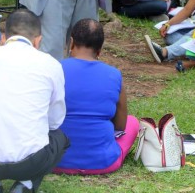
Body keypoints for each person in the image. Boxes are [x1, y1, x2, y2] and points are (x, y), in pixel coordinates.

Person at [0, 9, 69, 193]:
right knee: (60, 137)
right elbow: (55, 121)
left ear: (4, 38)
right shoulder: (51, 64)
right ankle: (25, 185)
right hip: (31, 162)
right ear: (38, 40)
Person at [54, 19, 139, 175]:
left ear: (71, 42)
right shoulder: (114, 74)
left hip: (56, 161)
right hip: (103, 162)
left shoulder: (54, 69)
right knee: (132, 122)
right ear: (100, 50)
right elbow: (120, 125)